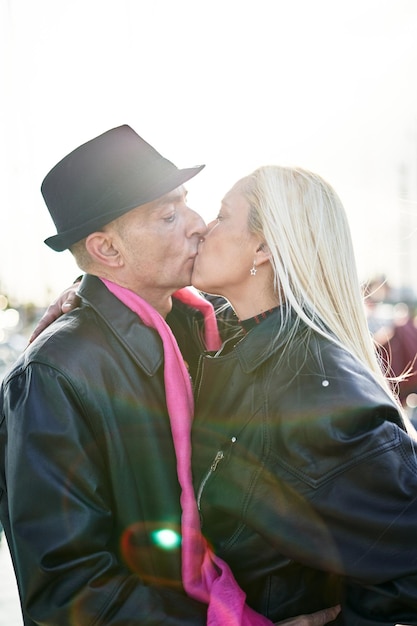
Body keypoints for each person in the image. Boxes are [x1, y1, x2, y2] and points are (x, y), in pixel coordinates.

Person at [0, 126, 339, 626]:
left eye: (188, 203)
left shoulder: (204, 327)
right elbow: (69, 590)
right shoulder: (54, 374)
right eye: (168, 215)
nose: (199, 224)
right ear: (108, 250)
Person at [188, 166, 417, 624]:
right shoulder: (247, 343)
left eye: (221, 215)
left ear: (265, 246)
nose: (201, 227)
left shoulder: (311, 387)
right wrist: (88, 299)